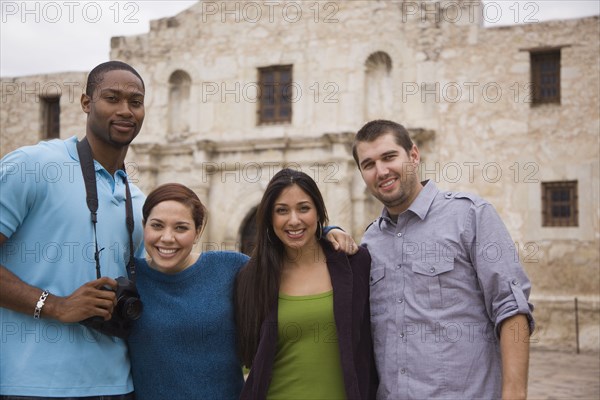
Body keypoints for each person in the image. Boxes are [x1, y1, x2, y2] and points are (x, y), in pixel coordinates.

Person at [352, 119, 535, 400]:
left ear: (413, 155)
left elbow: (512, 309)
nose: (381, 171)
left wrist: (514, 394)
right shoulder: (370, 243)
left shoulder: (470, 216)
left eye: (389, 157)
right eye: (369, 164)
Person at [0, 61, 146, 399]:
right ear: (86, 103)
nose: (125, 110)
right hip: (30, 386)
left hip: (118, 386)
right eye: (112, 98)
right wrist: (54, 305)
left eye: (135, 102)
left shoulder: (136, 200)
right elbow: (60, 305)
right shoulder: (34, 165)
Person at [235, 168, 378, 400]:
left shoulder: (355, 264)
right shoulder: (251, 276)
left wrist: (332, 231)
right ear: (270, 218)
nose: (294, 220)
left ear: (318, 213)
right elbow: (249, 353)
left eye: (304, 208)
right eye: (282, 210)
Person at [127, 183, 248, 400]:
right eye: (157, 226)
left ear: (198, 231)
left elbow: (290, 270)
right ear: (144, 226)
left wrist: (325, 234)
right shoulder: (129, 276)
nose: (167, 237)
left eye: (181, 228)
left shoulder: (230, 267)